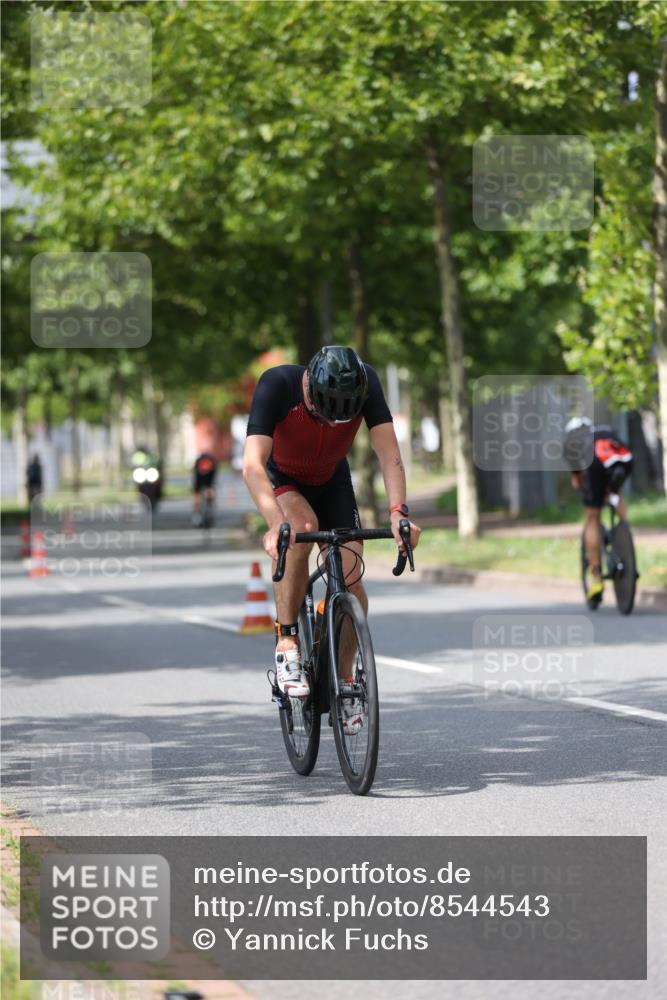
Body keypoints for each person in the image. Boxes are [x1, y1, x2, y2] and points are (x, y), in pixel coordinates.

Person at [242, 346, 421, 730]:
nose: (329, 425)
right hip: (284, 478)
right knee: (301, 529)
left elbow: (388, 454)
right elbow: (252, 464)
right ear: (308, 387)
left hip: (332, 480)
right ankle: (287, 642)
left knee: (352, 575)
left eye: (341, 418)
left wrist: (398, 514)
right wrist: (275, 522)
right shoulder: (277, 385)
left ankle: (344, 682)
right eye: (323, 415)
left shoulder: (367, 381)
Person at [564, 417, 633, 605]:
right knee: (616, 491)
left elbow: (578, 480)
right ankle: (624, 531)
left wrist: (586, 489)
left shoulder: (572, 441)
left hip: (594, 463)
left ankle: (596, 576)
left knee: (592, 516)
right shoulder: (606, 428)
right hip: (624, 458)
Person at [192, 451, 217, 526]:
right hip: (200, 482)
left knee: (209, 494)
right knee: (198, 498)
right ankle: (197, 515)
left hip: (207, 482)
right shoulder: (200, 463)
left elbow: (213, 477)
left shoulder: (211, 463)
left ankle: (207, 511)